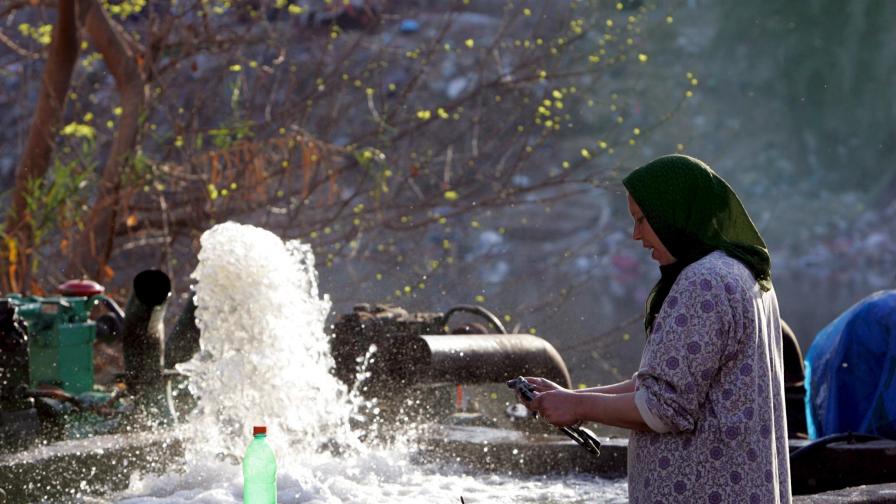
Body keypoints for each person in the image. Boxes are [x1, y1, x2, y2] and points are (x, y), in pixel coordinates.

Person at [523, 154, 792, 503]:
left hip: (704, 490)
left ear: (673, 213)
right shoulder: (741, 272)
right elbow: (666, 383)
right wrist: (570, 399)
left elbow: (664, 408)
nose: (637, 235)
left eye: (642, 220)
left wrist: (579, 408)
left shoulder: (703, 283)